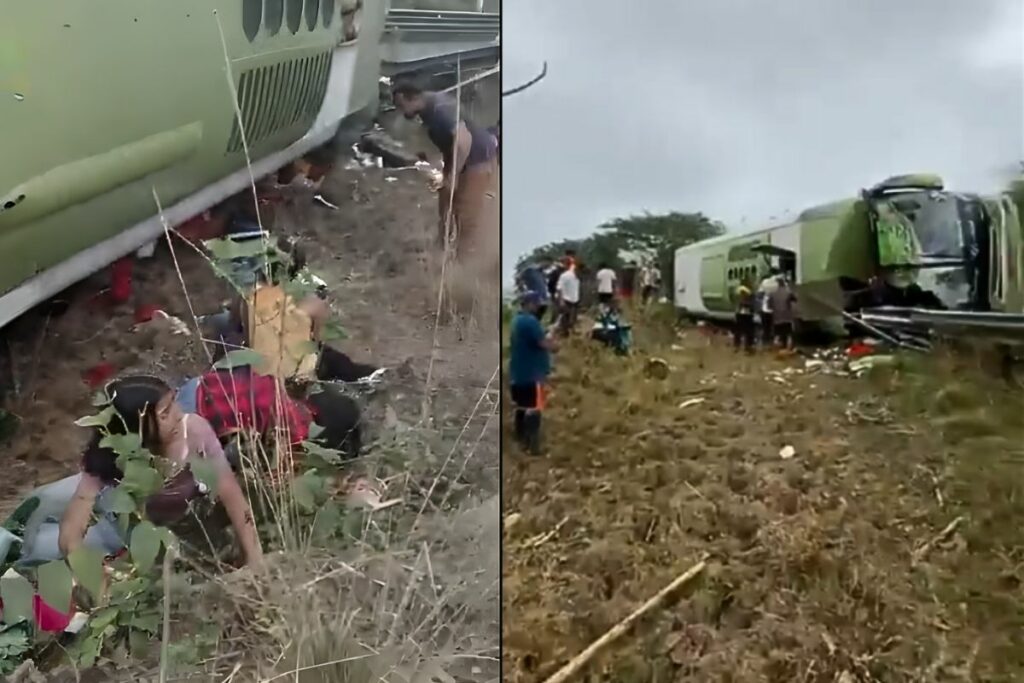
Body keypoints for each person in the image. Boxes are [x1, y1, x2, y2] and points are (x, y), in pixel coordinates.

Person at [55, 376, 263, 568]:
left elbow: (232, 495)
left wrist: (255, 559)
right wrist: (89, 576)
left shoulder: (194, 431)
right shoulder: (112, 453)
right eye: (165, 414)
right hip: (142, 536)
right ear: (137, 428)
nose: (178, 414)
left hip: (192, 531)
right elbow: (72, 531)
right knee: (44, 525)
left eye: (174, 403)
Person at [210, 236, 378, 385]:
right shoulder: (313, 303)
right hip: (295, 380)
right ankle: (368, 379)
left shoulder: (246, 299)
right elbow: (316, 345)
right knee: (335, 361)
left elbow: (244, 335)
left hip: (260, 375)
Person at [391, 81, 498, 259]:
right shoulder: (428, 106)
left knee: (465, 211)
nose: (401, 112)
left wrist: (453, 175)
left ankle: (464, 261)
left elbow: (463, 141)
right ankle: (442, 249)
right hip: (456, 158)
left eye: (401, 106)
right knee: (446, 203)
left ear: (413, 98)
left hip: (477, 159)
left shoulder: (440, 109)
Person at [508, 292, 554, 454]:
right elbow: (544, 344)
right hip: (532, 375)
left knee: (521, 408)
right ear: (529, 304)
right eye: (536, 304)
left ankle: (520, 441)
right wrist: (551, 337)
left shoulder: (516, 320)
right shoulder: (531, 322)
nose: (538, 307)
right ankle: (532, 446)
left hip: (517, 374)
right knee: (534, 409)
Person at [769, 275, 798, 349]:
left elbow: (769, 305)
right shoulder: (788, 292)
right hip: (786, 317)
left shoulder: (773, 294)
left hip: (777, 318)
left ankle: (779, 349)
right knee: (788, 334)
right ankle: (789, 348)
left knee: (778, 334)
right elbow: (795, 299)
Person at [555, 261, 581, 335]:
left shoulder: (577, 278)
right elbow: (559, 288)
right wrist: (561, 301)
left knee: (572, 320)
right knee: (564, 319)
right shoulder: (566, 276)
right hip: (566, 300)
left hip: (574, 301)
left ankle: (570, 333)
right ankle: (562, 333)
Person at [757, 269, 780, 346]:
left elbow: (760, 294)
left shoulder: (765, 282)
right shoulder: (779, 282)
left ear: (770, 273)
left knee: (765, 327)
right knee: (774, 327)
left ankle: (765, 343)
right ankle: (774, 342)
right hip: (776, 308)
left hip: (765, 307)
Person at [734, 277, 756, 352]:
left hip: (739, 312)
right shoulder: (749, 292)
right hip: (747, 313)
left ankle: (737, 345)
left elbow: (735, 300)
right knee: (749, 331)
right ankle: (748, 346)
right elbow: (752, 303)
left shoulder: (737, 291)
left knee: (738, 330)